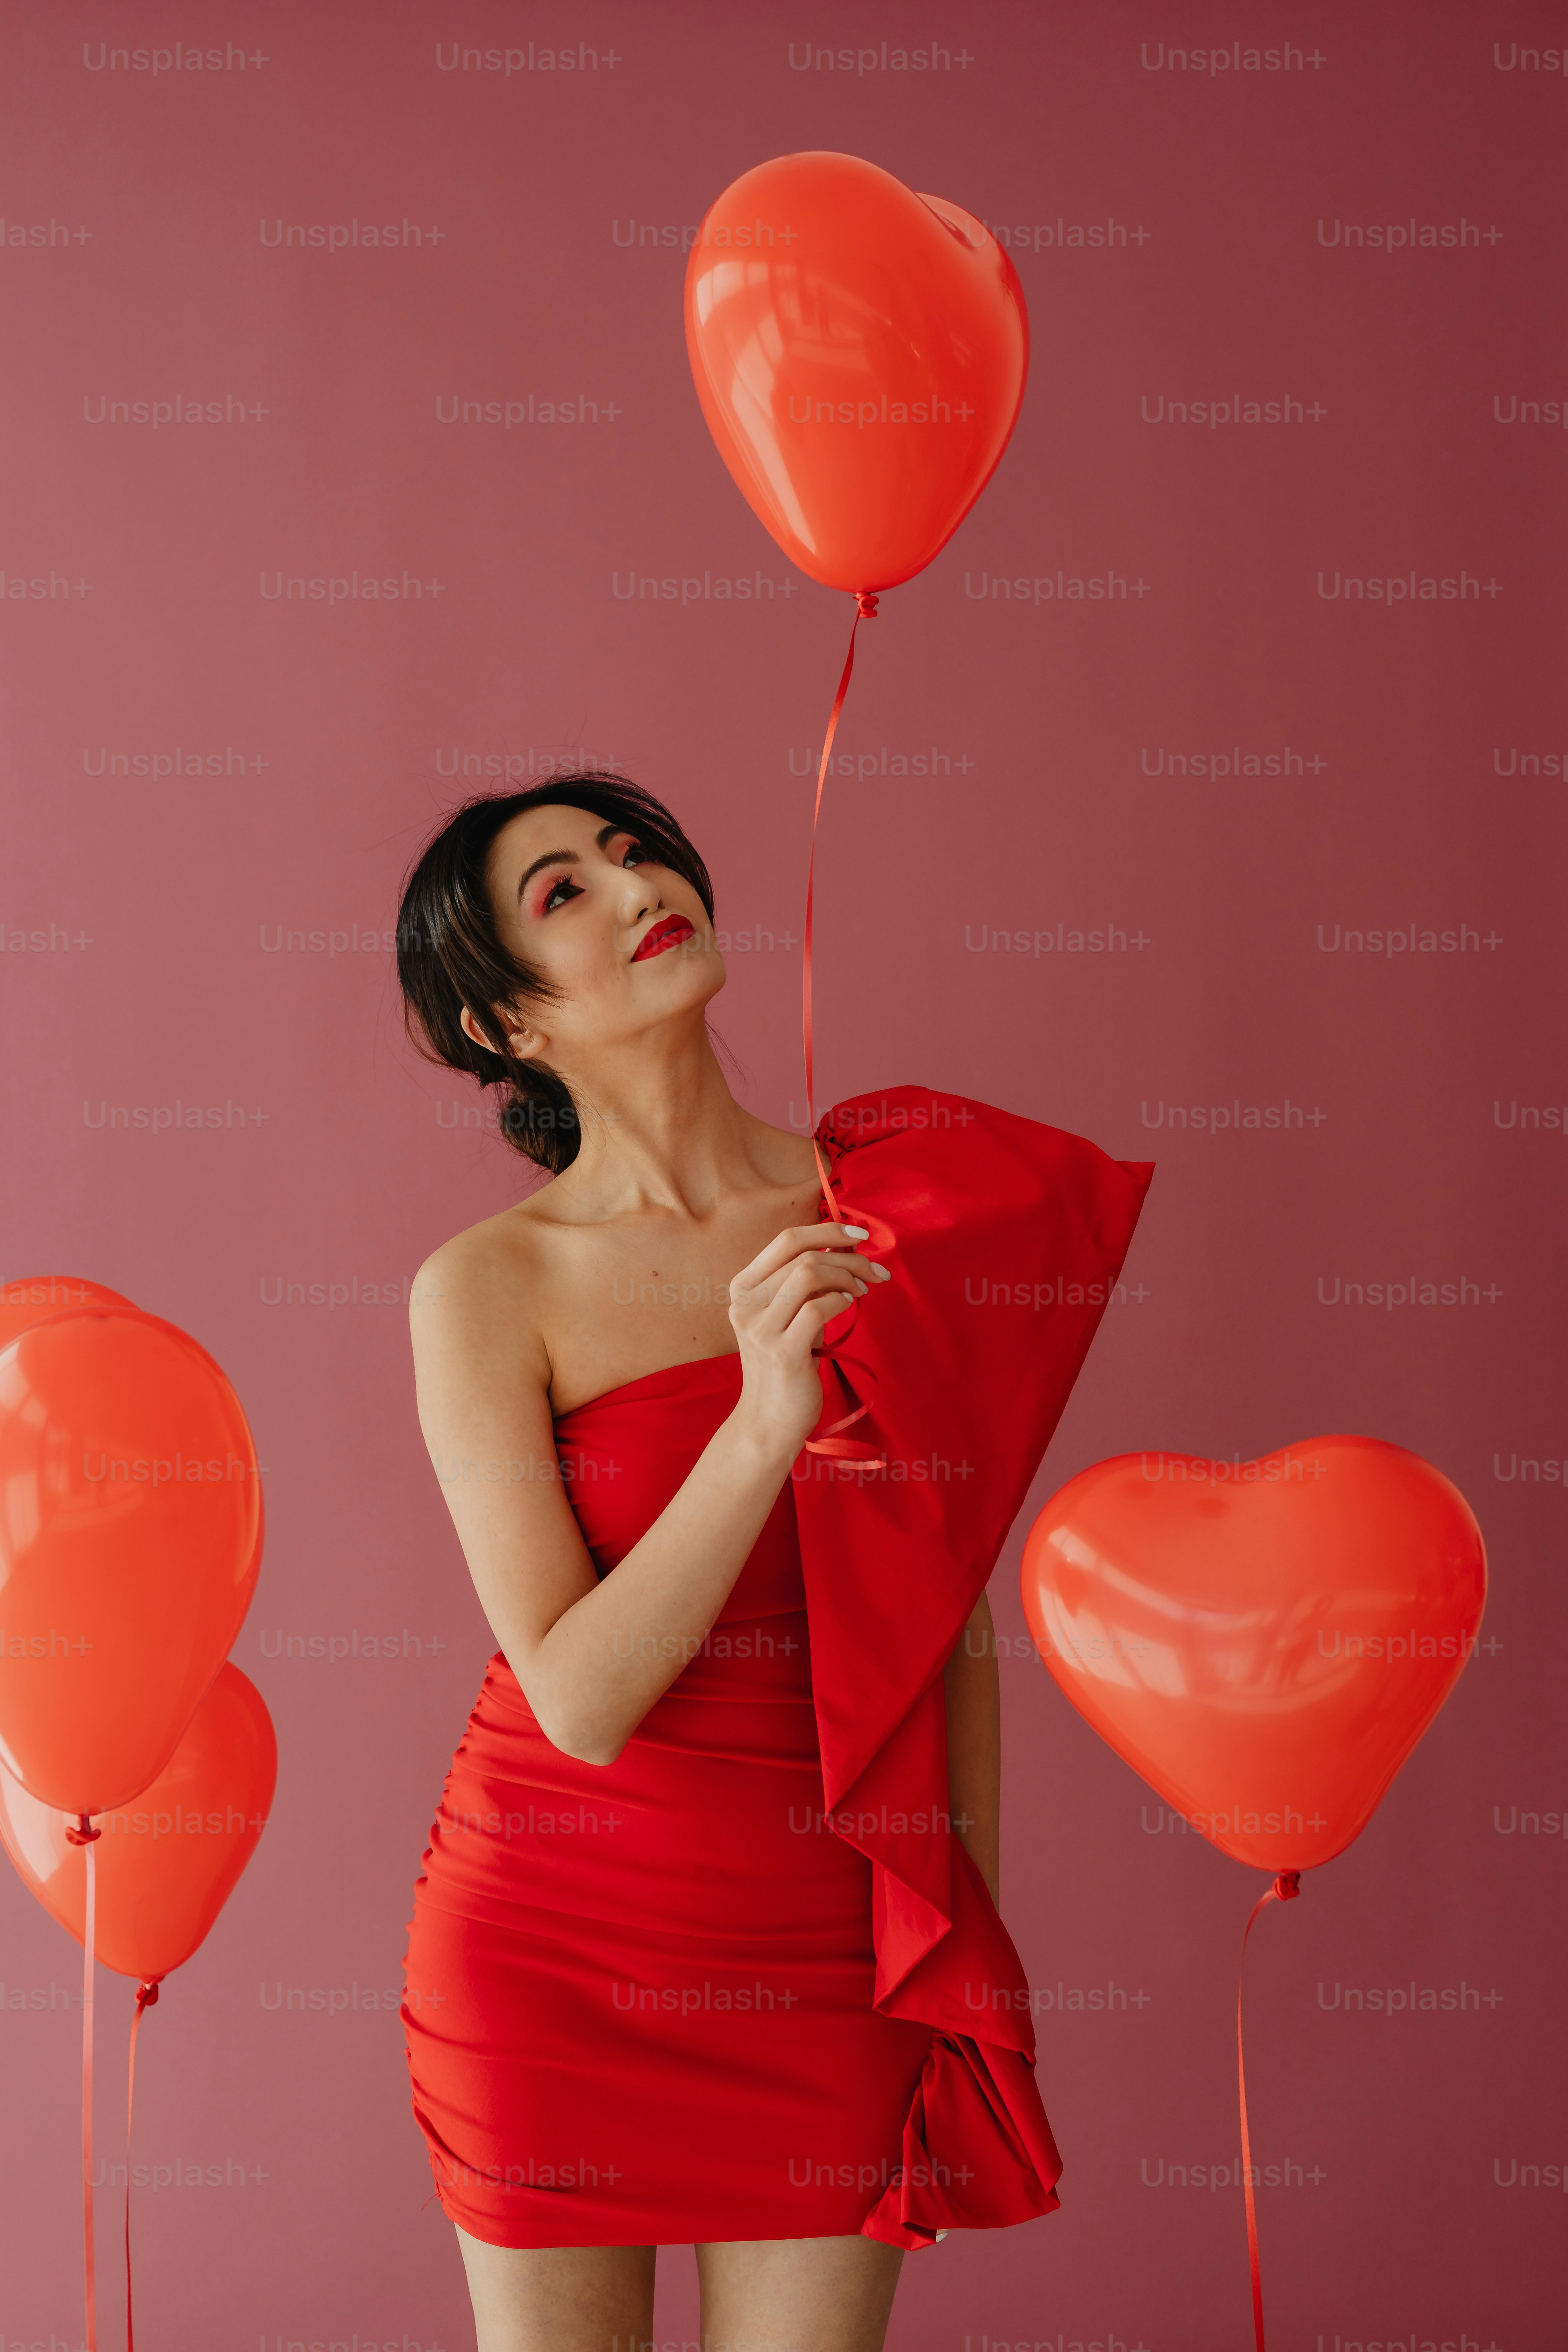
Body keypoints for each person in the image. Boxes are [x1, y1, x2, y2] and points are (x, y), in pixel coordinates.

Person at [394, 774, 1150, 2352]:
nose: (635, 886)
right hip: (548, 1944)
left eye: (634, 852)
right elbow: (578, 1697)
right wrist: (761, 1422)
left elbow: (942, 1612)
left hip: (829, 1946)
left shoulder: (883, 1216)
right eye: (563, 892)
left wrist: (960, 1924)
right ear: (504, 1024)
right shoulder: (485, 1286)